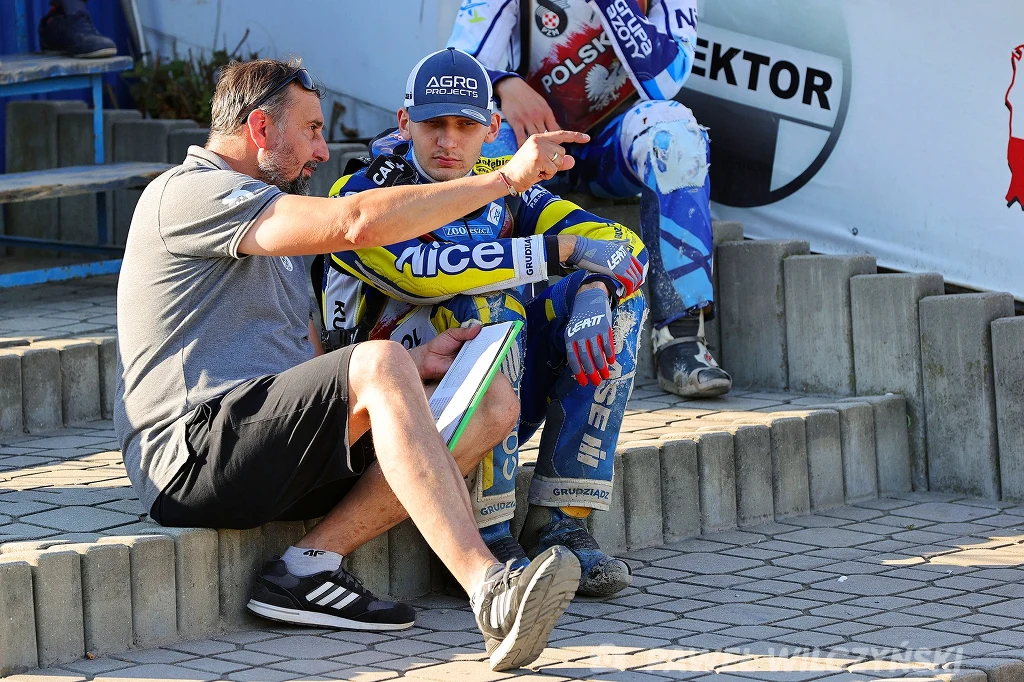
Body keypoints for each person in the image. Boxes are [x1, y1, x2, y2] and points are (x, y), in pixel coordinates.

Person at [114, 57, 591, 672]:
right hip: (192, 456)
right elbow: (358, 221)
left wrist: (415, 365)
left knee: (490, 400)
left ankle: (304, 568)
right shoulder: (189, 192)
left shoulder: (273, 213)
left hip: (269, 454)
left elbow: (310, 360)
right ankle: (490, 589)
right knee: (379, 360)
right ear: (261, 129)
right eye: (312, 130)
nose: (322, 149)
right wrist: (505, 181)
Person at [317, 48, 648, 598]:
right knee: (488, 304)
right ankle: (486, 534)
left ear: (492, 128)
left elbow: (621, 246)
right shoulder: (360, 194)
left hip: (482, 401)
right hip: (378, 426)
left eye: (465, 125)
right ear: (405, 123)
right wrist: (561, 251)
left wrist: (595, 285)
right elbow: (423, 273)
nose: (448, 141)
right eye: (433, 124)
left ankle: (559, 521)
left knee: (616, 304)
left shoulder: (501, 184)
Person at [447, 0, 732, 399]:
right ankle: (480, 329)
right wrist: (504, 84)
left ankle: (680, 338)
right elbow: (459, 64)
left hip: (609, 150)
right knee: (478, 137)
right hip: (532, 143)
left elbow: (666, 79)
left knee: (677, 132)